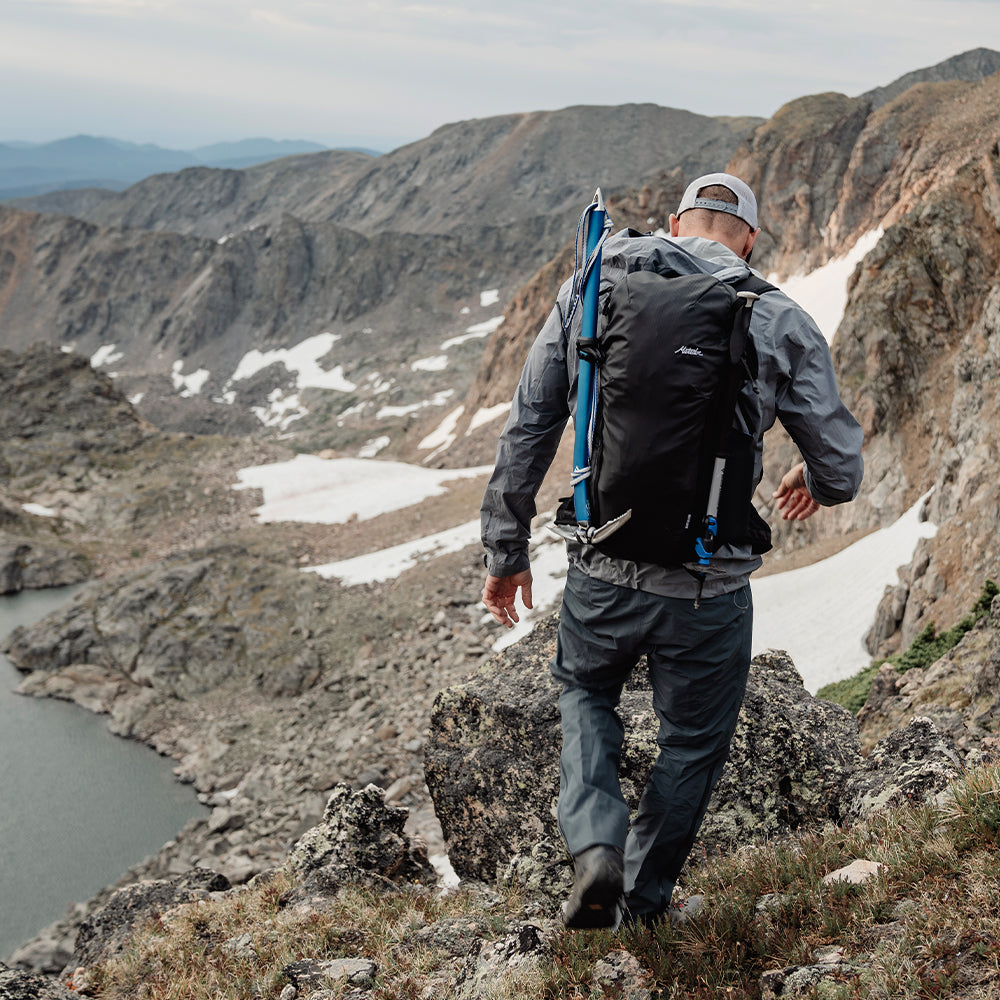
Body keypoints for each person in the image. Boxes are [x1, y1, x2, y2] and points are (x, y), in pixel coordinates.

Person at [480, 173, 864, 929]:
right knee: (691, 744)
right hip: (707, 586)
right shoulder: (777, 315)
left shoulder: (596, 286)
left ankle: (595, 846)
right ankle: (641, 905)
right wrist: (810, 475)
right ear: (749, 237)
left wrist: (505, 551)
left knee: (586, 693)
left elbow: (529, 426)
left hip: (603, 565)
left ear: (674, 222)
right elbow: (842, 471)